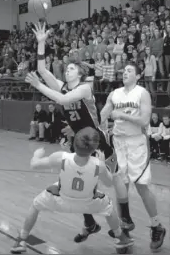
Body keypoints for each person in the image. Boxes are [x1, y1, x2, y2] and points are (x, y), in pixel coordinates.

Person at [27, 22, 133, 243]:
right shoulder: (63, 86)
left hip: (98, 141)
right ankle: (89, 223)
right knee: (73, 184)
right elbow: (43, 70)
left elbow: (63, 100)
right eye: (66, 68)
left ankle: (126, 219)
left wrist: (39, 87)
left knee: (114, 179)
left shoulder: (85, 88)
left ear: (81, 72)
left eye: (72, 68)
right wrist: (41, 43)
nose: (67, 70)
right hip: (81, 143)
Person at [11, 127, 134, 254]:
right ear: (95, 148)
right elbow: (109, 183)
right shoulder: (99, 165)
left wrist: (36, 155)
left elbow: (34, 165)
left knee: (36, 205)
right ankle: (121, 238)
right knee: (109, 208)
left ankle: (21, 239)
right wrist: (103, 163)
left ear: (74, 142)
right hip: (89, 204)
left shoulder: (61, 157)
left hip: (60, 200)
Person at [100, 62, 166, 250]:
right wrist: (98, 121)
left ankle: (156, 226)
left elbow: (144, 120)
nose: (125, 73)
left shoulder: (142, 93)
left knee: (141, 186)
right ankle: (124, 228)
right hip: (117, 143)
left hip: (137, 143)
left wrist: (121, 115)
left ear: (138, 76)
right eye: (124, 71)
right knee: (119, 185)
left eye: (130, 71)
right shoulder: (115, 93)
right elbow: (104, 113)